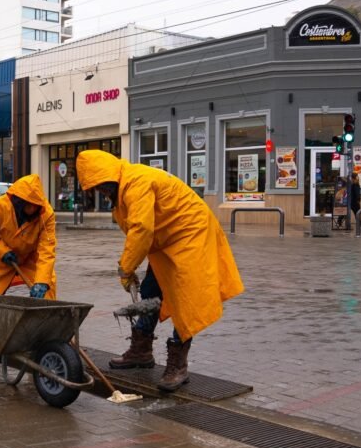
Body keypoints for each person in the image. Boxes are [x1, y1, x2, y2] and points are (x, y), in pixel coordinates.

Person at [76, 150, 244, 391]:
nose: (100, 191)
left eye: (101, 185)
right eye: (95, 187)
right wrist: (129, 265)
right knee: (150, 289)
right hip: (166, 239)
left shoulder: (136, 182)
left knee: (184, 300)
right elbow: (140, 229)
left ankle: (178, 364)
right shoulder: (122, 190)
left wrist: (126, 267)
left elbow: (141, 229)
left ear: (110, 176)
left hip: (191, 234)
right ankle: (141, 351)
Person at [0, 174, 57, 299]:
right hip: (7, 260)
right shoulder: (1, 206)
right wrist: (3, 252)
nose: (32, 209)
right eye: (29, 204)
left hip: (32, 259)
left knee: (48, 288)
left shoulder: (46, 214)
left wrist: (42, 281)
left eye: (35, 205)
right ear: (19, 201)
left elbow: (47, 250)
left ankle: (48, 315)